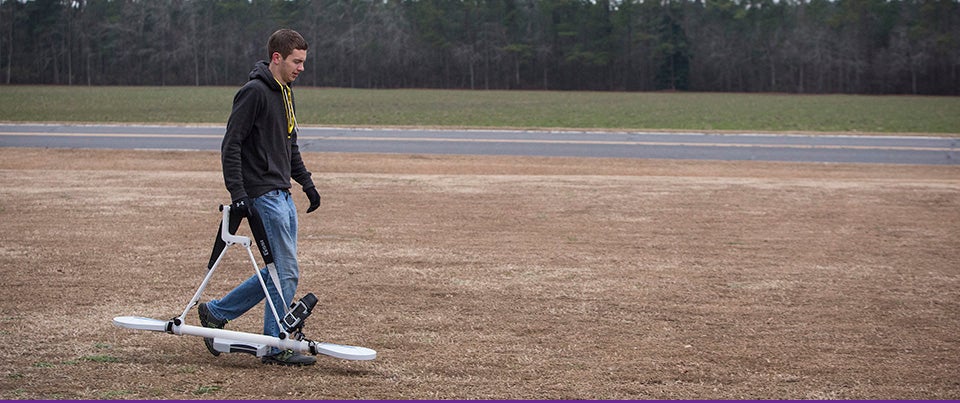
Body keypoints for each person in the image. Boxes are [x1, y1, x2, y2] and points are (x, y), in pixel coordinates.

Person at [197, 28, 322, 366]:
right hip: (262, 195)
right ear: (277, 58)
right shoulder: (253, 93)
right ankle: (276, 343)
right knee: (287, 271)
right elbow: (231, 145)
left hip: (283, 193)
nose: (301, 68)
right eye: (297, 61)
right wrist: (238, 194)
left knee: (278, 271)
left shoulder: (285, 92)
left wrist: (306, 183)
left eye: (304, 62)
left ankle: (215, 313)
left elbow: (289, 144)